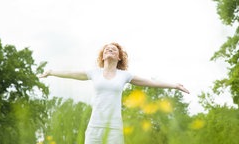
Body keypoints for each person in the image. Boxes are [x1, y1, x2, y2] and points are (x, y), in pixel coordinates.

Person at [39, 42, 190, 144]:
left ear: (119, 58)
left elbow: (150, 82)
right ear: (103, 56)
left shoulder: (124, 75)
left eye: (114, 49)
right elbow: (71, 73)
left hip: (114, 128)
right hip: (94, 127)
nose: (109, 50)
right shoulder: (94, 73)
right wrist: (51, 72)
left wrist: (174, 85)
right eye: (106, 49)